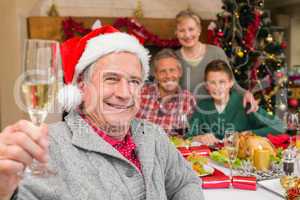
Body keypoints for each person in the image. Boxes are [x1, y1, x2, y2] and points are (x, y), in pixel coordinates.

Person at [0, 26, 204, 200]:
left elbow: (186, 183)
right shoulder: (46, 147)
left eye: (134, 81)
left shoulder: (153, 135)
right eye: (111, 79)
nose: (125, 94)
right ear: (82, 86)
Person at [174, 9, 258, 113]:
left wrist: (246, 93)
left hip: (214, 116)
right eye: (182, 30)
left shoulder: (216, 53)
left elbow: (232, 83)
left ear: (199, 30)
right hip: (184, 118)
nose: (187, 35)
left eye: (191, 29)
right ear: (176, 33)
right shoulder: (173, 58)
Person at [186, 59, 285, 146]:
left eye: (222, 82)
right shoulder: (203, 106)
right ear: (207, 86)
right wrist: (200, 138)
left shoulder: (245, 104)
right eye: (212, 82)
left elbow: (279, 127)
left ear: (231, 83)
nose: (217, 87)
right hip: (211, 162)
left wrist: (246, 134)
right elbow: (188, 136)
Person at [136, 48, 196, 136]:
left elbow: (191, 134)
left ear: (180, 72)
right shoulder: (141, 93)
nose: (168, 76)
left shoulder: (188, 99)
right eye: (162, 71)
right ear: (155, 74)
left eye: (172, 70)